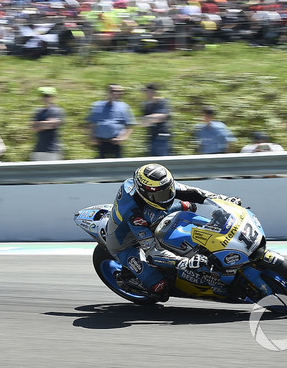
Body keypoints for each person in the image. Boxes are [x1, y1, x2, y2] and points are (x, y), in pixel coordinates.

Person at [105, 163, 242, 301]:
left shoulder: (157, 186)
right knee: (160, 289)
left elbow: (194, 193)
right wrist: (183, 262)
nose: (167, 196)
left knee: (189, 206)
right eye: (160, 194)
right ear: (145, 193)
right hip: (126, 244)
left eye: (168, 190)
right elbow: (152, 251)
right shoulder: (134, 213)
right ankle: (132, 279)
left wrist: (224, 200)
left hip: (152, 216)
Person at [86, 84, 137, 158]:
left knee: (117, 166)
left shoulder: (124, 106)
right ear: (107, 92)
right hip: (101, 143)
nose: (116, 93)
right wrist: (92, 137)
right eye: (113, 91)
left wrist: (124, 137)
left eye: (119, 91)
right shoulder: (97, 105)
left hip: (115, 143)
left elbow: (129, 125)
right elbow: (91, 124)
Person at [31, 87, 65, 161]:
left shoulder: (57, 110)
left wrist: (40, 124)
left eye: (48, 96)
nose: (45, 98)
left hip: (52, 150)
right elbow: (33, 127)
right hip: (38, 150)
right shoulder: (38, 111)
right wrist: (47, 122)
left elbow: (52, 124)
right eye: (43, 96)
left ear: (53, 97)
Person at [140, 83, 171, 156]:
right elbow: (142, 123)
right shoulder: (145, 105)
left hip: (162, 138)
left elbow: (161, 117)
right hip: (151, 139)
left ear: (153, 92)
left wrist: (148, 118)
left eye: (147, 91)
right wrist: (152, 118)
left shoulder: (162, 102)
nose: (146, 94)